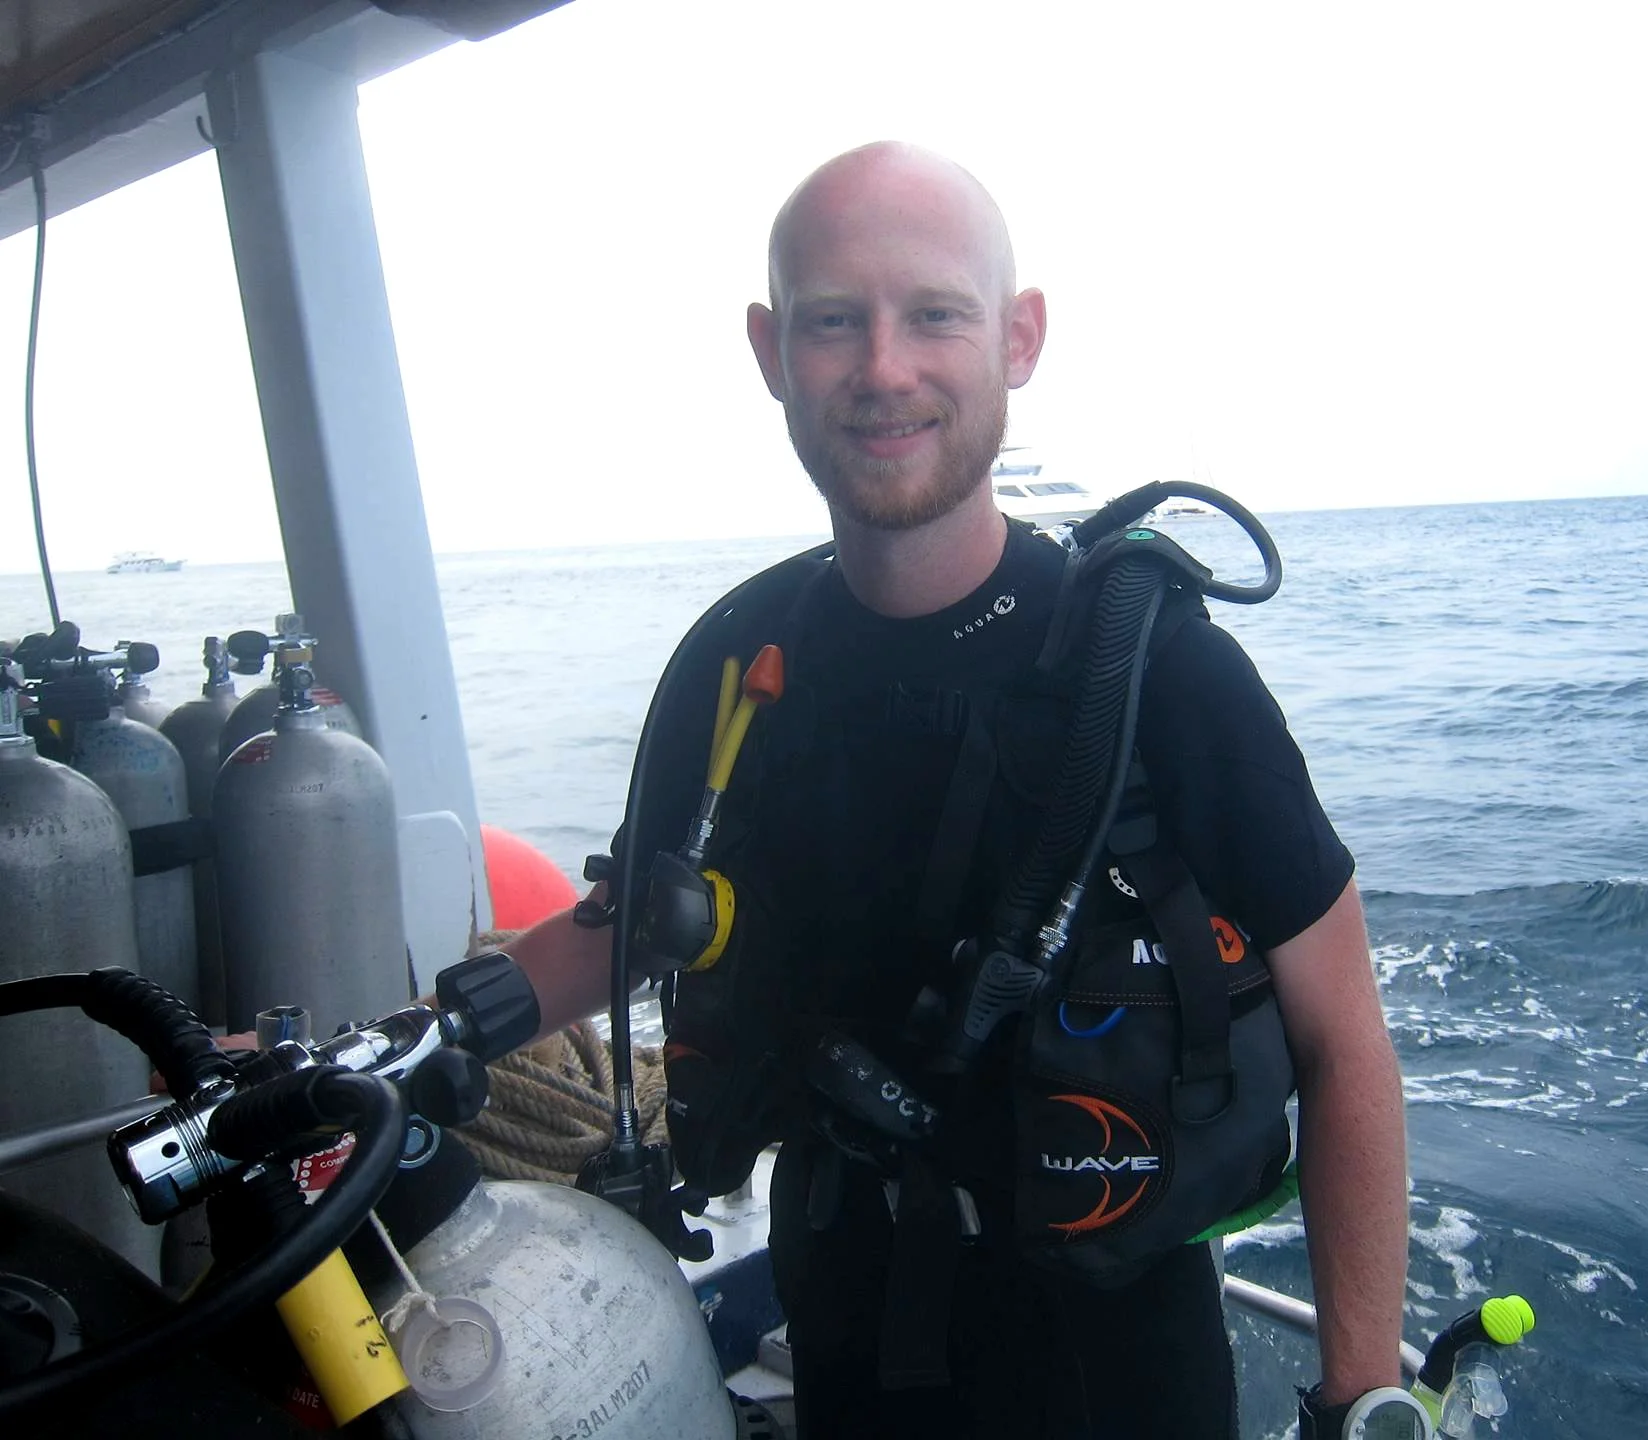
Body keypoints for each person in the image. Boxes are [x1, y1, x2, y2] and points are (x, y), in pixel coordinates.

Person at [506, 141, 1411, 1439]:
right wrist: (410, 1040)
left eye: (935, 313)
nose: (884, 368)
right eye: (834, 321)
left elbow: (1345, 1039)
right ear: (770, 350)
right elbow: (643, 921)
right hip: (844, 1318)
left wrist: (1360, 1396)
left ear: (1018, 338)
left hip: (1113, 1365)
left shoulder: (1153, 669)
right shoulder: (739, 661)